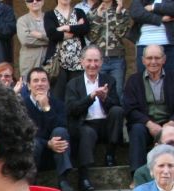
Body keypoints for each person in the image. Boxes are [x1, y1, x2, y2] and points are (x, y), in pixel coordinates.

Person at [65, 44, 124, 173]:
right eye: (89, 61)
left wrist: (104, 98)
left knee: (117, 111)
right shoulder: (73, 83)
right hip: (85, 124)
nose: (93, 65)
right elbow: (72, 109)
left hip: (105, 125)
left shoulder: (109, 80)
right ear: (82, 62)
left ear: (101, 62)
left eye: (96, 60)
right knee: (88, 132)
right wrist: (91, 97)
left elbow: (117, 106)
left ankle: (110, 154)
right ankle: (84, 175)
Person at [24, 67, 77, 191]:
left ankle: (63, 179)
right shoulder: (22, 105)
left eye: (43, 80)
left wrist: (46, 108)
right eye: (35, 81)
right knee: (33, 142)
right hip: (34, 154)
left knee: (60, 132)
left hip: (57, 153)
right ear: (29, 86)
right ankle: (31, 183)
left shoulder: (58, 104)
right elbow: (25, 133)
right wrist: (47, 143)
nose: (40, 84)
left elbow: (62, 126)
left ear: (48, 84)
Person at [124, 44, 174, 174]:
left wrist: (171, 122)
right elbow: (130, 109)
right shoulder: (133, 81)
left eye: (157, 58)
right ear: (143, 60)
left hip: (169, 124)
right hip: (145, 125)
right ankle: (137, 174)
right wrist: (149, 124)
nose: (153, 62)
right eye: (149, 58)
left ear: (164, 59)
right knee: (137, 130)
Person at [44, 0, 90, 100]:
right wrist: (75, 28)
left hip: (78, 62)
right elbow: (51, 34)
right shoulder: (49, 15)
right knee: (58, 97)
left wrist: (65, 27)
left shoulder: (79, 12)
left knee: (77, 97)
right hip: (58, 63)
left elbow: (85, 28)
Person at [86, 0, 130, 100]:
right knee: (97, 91)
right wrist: (99, 16)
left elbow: (122, 34)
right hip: (98, 60)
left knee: (118, 91)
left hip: (117, 60)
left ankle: (116, 115)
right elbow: (91, 37)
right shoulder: (92, 11)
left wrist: (118, 12)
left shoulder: (122, 11)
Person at [129, 0, 174, 74]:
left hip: (168, 45)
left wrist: (153, 7)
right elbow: (135, 13)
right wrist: (160, 19)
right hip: (144, 44)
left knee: (170, 80)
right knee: (143, 79)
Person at [17, 0, 49, 80]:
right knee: (27, 90)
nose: (34, 2)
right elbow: (25, 40)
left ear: (43, 1)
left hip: (49, 65)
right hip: (29, 65)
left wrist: (40, 35)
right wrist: (48, 39)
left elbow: (56, 37)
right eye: (30, 0)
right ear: (26, 3)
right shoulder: (22, 21)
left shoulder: (50, 18)